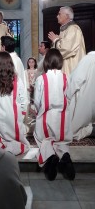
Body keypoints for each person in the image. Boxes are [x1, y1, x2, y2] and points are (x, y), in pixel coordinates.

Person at [33, 48, 75, 181]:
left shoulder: (41, 78)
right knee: (61, 141)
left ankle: (50, 158)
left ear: (46, 62)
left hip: (46, 116)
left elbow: (37, 101)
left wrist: (36, 111)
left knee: (44, 140)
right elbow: (68, 97)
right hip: (62, 117)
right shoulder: (65, 77)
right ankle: (65, 156)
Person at [0, 51, 30, 155]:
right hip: (13, 116)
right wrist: (22, 113)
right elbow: (23, 99)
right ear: (10, 63)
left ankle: (0, 147)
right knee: (19, 142)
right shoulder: (17, 79)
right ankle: (11, 149)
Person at [48, 6, 86, 76]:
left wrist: (55, 40)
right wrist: (56, 40)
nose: (57, 16)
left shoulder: (73, 29)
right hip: (65, 67)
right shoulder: (66, 29)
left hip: (71, 67)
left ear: (66, 16)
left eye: (59, 14)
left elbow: (66, 48)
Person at [67, 51, 95, 140]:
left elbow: (76, 80)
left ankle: (91, 130)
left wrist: (68, 95)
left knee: (73, 130)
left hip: (84, 98)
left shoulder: (87, 59)